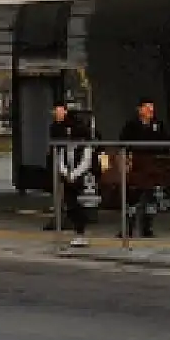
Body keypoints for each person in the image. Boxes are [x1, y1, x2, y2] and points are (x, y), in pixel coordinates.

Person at [118, 98, 167, 238]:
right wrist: (126, 161)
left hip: (153, 164)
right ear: (139, 109)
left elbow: (165, 143)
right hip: (136, 164)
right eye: (147, 108)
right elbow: (123, 144)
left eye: (152, 108)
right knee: (132, 198)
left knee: (151, 199)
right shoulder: (131, 126)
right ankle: (127, 229)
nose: (150, 111)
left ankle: (147, 228)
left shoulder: (158, 125)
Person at [55, 111, 100, 248]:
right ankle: (77, 232)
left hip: (81, 179)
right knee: (70, 206)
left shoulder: (84, 145)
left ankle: (81, 233)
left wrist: (74, 175)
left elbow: (86, 162)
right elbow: (60, 159)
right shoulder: (65, 144)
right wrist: (64, 172)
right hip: (68, 177)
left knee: (80, 206)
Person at [42, 103, 73, 231]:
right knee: (57, 191)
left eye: (61, 111)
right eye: (56, 112)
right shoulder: (54, 126)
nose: (58, 114)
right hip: (56, 160)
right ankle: (58, 217)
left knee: (66, 191)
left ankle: (66, 217)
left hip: (67, 161)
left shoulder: (71, 126)